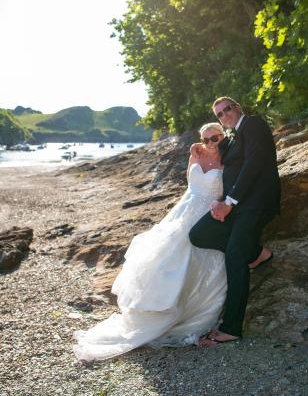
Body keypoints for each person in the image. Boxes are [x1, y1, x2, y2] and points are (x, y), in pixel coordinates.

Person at [73, 123, 228, 362]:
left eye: (215, 137)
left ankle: (184, 312)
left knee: (195, 260)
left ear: (223, 136)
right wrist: (194, 155)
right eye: (206, 139)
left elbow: (228, 191)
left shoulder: (229, 160)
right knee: (163, 257)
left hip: (207, 214)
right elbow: (190, 183)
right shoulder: (196, 155)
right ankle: (153, 309)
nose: (211, 143)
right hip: (184, 210)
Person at [189, 96, 281, 345]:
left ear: (238, 107)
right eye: (220, 113)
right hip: (237, 207)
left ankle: (231, 328)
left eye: (227, 108)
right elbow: (220, 158)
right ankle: (257, 253)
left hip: (255, 203)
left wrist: (229, 202)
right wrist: (203, 150)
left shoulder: (253, 124)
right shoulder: (232, 137)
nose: (225, 114)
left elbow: (254, 164)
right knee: (198, 234)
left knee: (234, 256)